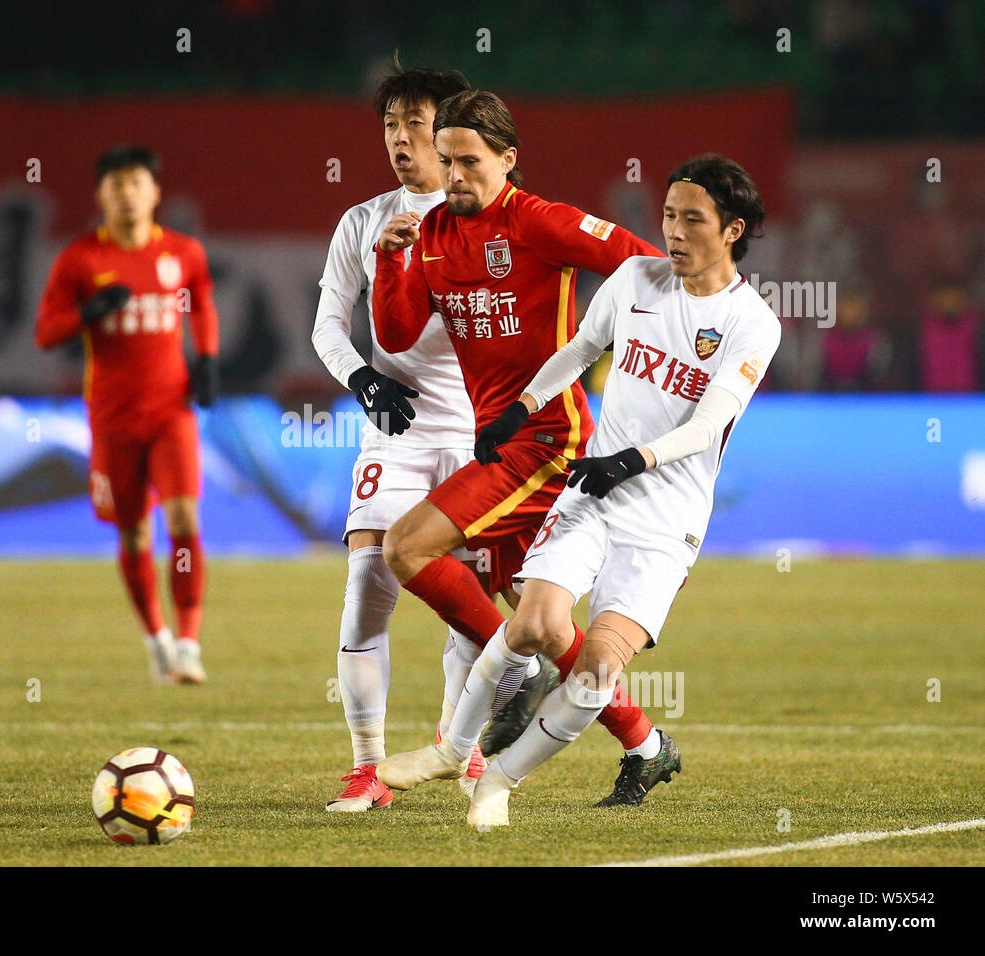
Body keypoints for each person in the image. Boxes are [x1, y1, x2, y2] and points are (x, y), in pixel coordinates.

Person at [372, 89, 681, 806]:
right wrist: (390, 262)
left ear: (508, 159)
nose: (454, 176)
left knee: (406, 548)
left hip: (545, 440)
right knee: (540, 624)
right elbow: (395, 333)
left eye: (469, 162)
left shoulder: (540, 221)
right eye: (445, 160)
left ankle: (514, 672)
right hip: (500, 441)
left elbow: (644, 267)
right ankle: (645, 743)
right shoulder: (432, 232)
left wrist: (643, 360)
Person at [454, 154, 780, 829]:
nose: (675, 232)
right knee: (535, 624)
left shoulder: (753, 322)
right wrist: (517, 411)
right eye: (668, 215)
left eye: (693, 219)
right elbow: (580, 348)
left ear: (733, 229)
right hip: (595, 492)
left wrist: (630, 460)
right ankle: (453, 752)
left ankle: (502, 784)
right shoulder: (635, 277)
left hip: (667, 518)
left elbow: (710, 423)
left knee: (597, 668)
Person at [312, 59, 492, 811]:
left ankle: (467, 750)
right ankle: (367, 768)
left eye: (415, 123)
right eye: (390, 125)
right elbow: (326, 325)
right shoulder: (361, 221)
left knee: (471, 603)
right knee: (365, 589)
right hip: (398, 428)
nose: (400, 139)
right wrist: (362, 378)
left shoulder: (491, 218)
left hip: (482, 434)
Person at [36, 145, 219, 685]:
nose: (127, 195)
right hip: (113, 420)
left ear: (155, 192)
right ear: (101, 197)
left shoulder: (183, 252)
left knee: (185, 520)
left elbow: (202, 303)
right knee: (135, 534)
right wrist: (86, 313)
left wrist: (206, 359)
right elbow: (46, 332)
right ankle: (156, 638)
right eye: (116, 186)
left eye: (136, 183)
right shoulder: (81, 260)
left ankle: (188, 641)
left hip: (171, 414)